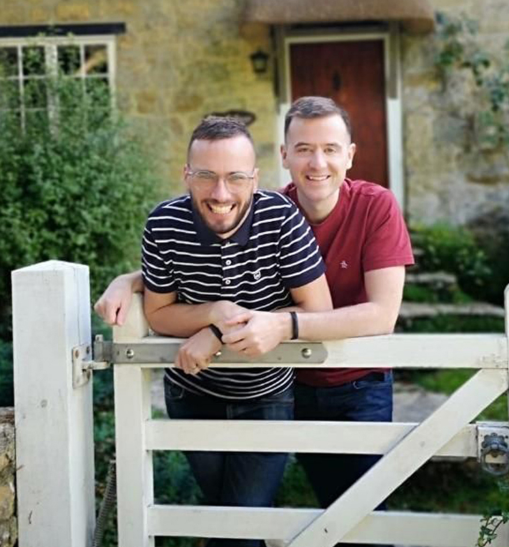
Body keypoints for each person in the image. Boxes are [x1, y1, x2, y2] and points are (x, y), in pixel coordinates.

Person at [97, 116, 332, 547]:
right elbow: (161, 314)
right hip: (192, 394)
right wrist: (216, 312)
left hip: (266, 394)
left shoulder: (281, 218)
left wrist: (219, 331)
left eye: (235, 178)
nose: (220, 194)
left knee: (238, 531)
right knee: (227, 521)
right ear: (186, 174)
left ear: (255, 179)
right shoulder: (164, 225)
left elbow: (318, 309)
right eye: (205, 177)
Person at [224, 96, 413, 535]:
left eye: (330, 148)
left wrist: (284, 324)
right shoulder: (265, 211)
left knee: (362, 522)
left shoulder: (376, 206)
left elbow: (381, 316)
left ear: (349, 154)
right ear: (285, 155)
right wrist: (131, 281)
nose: (318, 162)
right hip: (285, 385)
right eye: (304, 148)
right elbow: (198, 261)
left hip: (359, 385)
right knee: (255, 516)